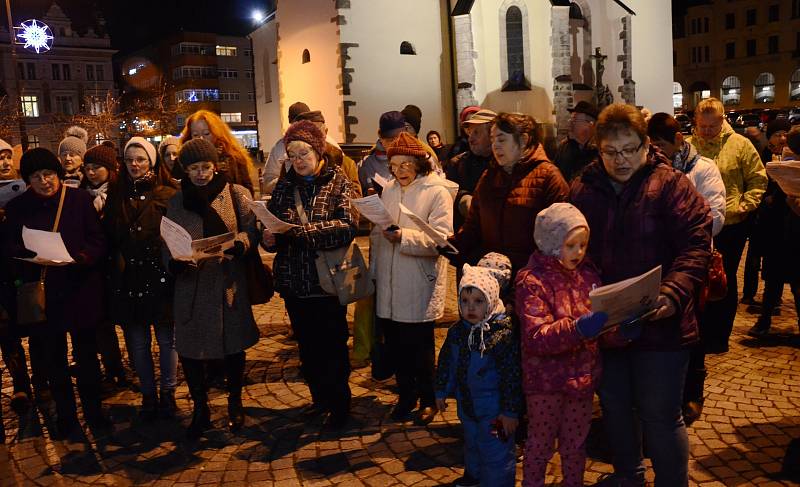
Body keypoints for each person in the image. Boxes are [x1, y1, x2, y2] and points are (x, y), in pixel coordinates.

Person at [570, 103, 712, 486]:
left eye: (630, 149)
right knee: (615, 408)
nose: (620, 160)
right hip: (608, 324)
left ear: (646, 145)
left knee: (661, 416)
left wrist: (672, 293)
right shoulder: (584, 188)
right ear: (598, 149)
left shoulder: (671, 185)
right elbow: (572, 251)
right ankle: (629, 478)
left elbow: (697, 246)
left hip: (662, 324)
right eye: (611, 152)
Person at [4, 148, 109, 438]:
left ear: (58, 174)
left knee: (87, 358)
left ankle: (95, 412)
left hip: (79, 289)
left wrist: (84, 257)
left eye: (48, 174)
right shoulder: (17, 208)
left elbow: (98, 238)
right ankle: (66, 417)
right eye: (36, 177)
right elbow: (9, 248)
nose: (44, 181)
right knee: (54, 360)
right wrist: (28, 255)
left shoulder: (78, 200)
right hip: (45, 295)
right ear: (27, 180)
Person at [263, 120, 357, 430]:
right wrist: (270, 237)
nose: (298, 160)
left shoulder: (338, 181)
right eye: (292, 154)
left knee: (332, 347)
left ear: (318, 151)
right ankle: (319, 400)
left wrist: (303, 233)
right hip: (294, 283)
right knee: (308, 349)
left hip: (327, 283)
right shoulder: (285, 185)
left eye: (303, 152)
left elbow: (346, 226)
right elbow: (274, 221)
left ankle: (340, 406)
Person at [165, 138, 260, 439]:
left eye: (206, 167)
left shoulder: (236, 194)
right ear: (185, 170)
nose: (201, 174)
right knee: (192, 352)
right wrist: (175, 262)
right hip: (191, 287)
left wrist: (242, 245)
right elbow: (166, 239)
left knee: (233, 347)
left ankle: (235, 403)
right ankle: (200, 408)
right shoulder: (176, 201)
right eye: (194, 168)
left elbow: (250, 230)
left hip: (226, 284)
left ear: (215, 166)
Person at [516, 203, 605, 487]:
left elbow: (600, 327)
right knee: (540, 445)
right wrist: (577, 328)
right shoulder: (533, 282)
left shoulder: (588, 276)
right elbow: (536, 336)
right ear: (553, 243)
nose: (578, 253)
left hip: (581, 378)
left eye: (583, 245)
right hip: (545, 382)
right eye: (571, 245)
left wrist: (620, 328)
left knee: (575, 445)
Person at [647, 112, 727, 425]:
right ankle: (664, 393)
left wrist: (675, 230)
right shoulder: (649, 171)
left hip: (693, 265)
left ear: (678, 140)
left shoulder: (703, 169)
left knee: (695, 332)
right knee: (665, 331)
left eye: (662, 145)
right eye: (652, 145)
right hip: (659, 265)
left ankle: (693, 391)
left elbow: (715, 219)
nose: (658, 151)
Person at [370, 132, 454, 425]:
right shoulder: (390, 189)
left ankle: (428, 399)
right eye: (395, 164)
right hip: (390, 281)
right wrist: (375, 273)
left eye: (406, 164)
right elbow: (379, 234)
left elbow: (441, 239)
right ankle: (406, 396)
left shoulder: (436, 192)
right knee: (396, 345)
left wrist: (403, 236)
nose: (400, 170)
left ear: (420, 164)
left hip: (418, 281)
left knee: (419, 347)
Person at [105, 137, 178, 420]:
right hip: (129, 280)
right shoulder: (116, 195)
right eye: (130, 160)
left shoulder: (168, 194)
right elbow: (110, 236)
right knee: (137, 342)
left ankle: (168, 393)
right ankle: (148, 393)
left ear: (152, 162)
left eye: (141, 159)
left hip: (160, 277)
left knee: (166, 340)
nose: (135, 165)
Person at [687, 97, 766, 354]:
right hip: (696, 227)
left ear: (722, 121)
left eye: (712, 126)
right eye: (702, 126)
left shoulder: (740, 145)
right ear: (696, 123)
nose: (707, 131)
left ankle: (719, 336)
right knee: (697, 280)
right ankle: (698, 333)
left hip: (731, 224)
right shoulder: (688, 147)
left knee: (724, 279)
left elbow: (757, 178)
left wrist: (744, 205)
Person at [447, 112, 570, 277]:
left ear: (524, 140)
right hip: (493, 276)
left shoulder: (548, 177)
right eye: (492, 139)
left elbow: (560, 239)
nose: (495, 146)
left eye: (501, 139)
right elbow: (473, 226)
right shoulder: (490, 175)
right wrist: (448, 246)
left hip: (531, 280)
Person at [435, 256, 521, 487]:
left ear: (491, 301)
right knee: (472, 444)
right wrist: (442, 390)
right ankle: (473, 477)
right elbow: (446, 362)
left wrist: (511, 411)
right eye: (464, 300)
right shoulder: (458, 332)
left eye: (478, 301)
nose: (470, 307)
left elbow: (512, 376)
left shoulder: (501, 335)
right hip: (468, 406)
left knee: (496, 452)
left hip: (495, 412)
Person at [81, 143, 129, 391]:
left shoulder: (121, 192)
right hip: (93, 269)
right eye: (87, 168)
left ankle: (135, 365)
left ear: (110, 168)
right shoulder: (80, 195)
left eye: (96, 167)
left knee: (128, 320)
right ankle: (113, 369)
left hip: (119, 266)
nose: (90, 172)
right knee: (102, 323)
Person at [747, 125, 800, 337]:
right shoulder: (781, 164)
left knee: (787, 281)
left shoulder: (786, 165)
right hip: (782, 232)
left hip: (787, 232)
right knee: (779, 281)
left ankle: (764, 321)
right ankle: (764, 320)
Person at [180, 110, 256, 196]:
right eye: (195, 135)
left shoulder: (234, 158)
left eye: (206, 133)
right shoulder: (184, 159)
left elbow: (247, 191)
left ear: (216, 133)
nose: (201, 138)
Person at [445, 109, 496, 232]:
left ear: (492, 135)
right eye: (469, 133)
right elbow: (447, 195)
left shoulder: (505, 164)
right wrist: (462, 197)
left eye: (477, 133)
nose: (470, 139)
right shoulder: (457, 163)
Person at [293, 110, 361, 195]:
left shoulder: (345, 164)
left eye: (316, 134)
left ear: (326, 132)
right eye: (306, 136)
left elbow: (357, 202)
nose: (312, 140)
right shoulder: (292, 165)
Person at [262, 101, 310, 194]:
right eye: (297, 123)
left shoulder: (325, 143)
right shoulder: (280, 147)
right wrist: (286, 180)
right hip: (290, 202)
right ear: (291, 123)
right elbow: (267, 183)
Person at [358, 111, 407, 196]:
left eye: (398, 139)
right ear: (380, 136)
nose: (394, 144)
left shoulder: (418, 159)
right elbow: (359, 193)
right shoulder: (366, 164)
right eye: (390, 140)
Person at [554, 101, 599, 182]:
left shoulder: (601, 149)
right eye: (570, 119)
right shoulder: (564, 146)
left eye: (575, 120)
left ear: (590, 125)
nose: (570, 123)